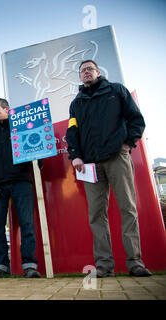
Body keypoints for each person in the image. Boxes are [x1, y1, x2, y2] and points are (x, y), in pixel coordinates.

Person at [66, 59, 151, 278]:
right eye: (82, 70)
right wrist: (75, 156)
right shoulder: (77, 102)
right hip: (90, 165)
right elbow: (72, 132)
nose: (86, 73)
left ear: (98, 72)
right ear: (80, 76)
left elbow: (136, 119)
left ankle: (135, 263)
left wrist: (128, 143)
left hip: (116, 157)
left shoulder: (116, 90)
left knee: (128, 209)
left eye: (89, 69)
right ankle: (104, 265)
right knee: (96, 214)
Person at [0, 98, 41, 278]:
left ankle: (29, 266)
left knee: (27, 224)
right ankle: (0, 267)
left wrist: (41, 157)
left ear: (7, 109)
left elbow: (36, 148)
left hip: (22, 182)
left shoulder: (21, 130)